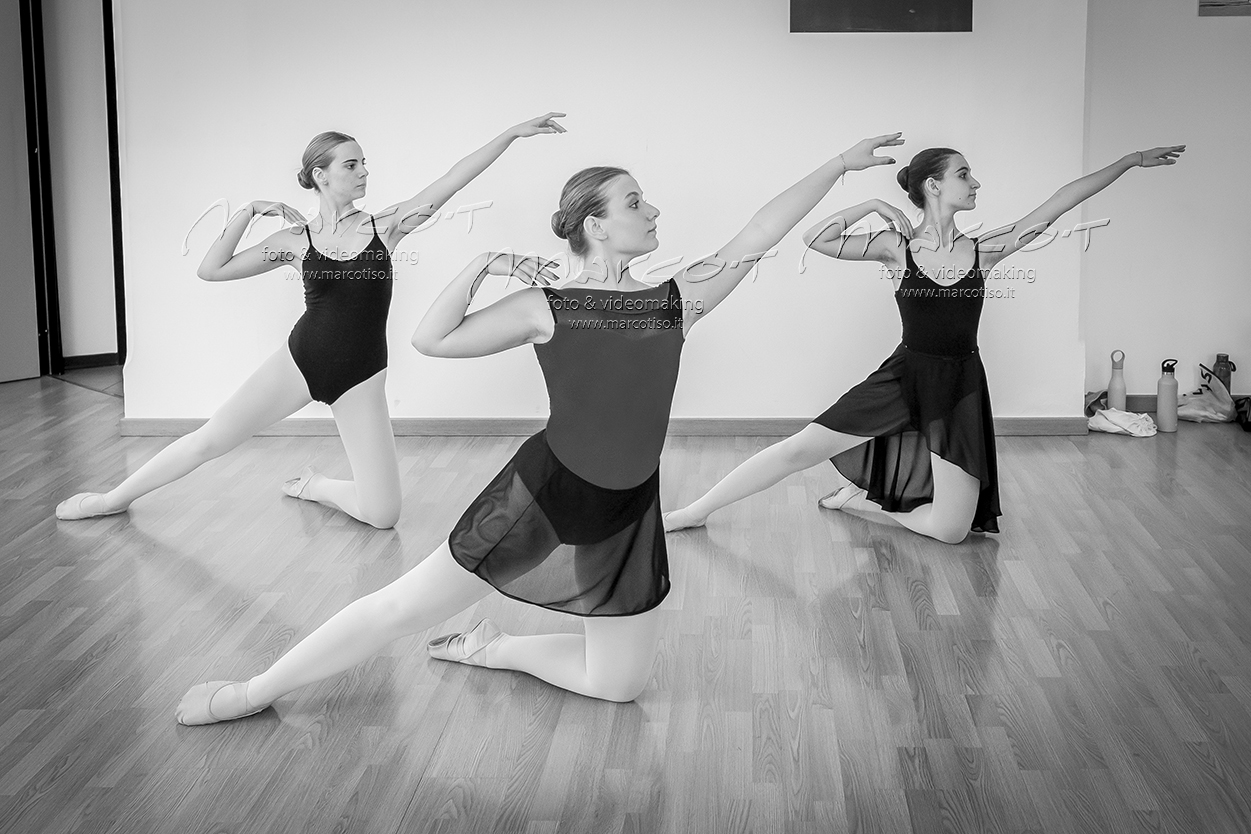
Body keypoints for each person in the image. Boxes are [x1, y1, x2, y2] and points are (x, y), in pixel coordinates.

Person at [174, 132, 904, 724]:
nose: (653, 212)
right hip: (545, 490)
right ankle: (253, 690)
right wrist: (484, 263)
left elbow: (761, 232)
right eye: (635, 202)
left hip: (629, 507)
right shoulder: (545, 304)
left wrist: (838, 165)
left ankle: (494, 649)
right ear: (596, 224)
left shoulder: (677, 299)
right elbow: (433, 338)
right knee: (403, 606)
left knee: (618, 685)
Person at [55, 113, 566, 528]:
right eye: (351, 164)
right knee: (211, 440)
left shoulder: (387, 226)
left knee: (383, 515)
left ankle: (317, 486)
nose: (364, 172)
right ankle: (113, 499)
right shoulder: (294, 241)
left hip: (361, 376)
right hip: (301, 362)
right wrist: (250, 210)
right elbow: (212, 270)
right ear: (321, 175)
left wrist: (509, 135)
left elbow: (453, 179)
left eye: (364, 163)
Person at [664, 144, 1185, 543]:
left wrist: (1129, 161)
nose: (975, 183)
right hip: (904, 377)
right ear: (933, 185)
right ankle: (694, 512)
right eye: (964, 174)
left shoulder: (985, 249)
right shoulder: (898, 248)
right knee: (798, 449)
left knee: (952, 532)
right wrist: (870, 203)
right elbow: (816, 239)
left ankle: (861, 502)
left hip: (959, 388)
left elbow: (1061, 202)